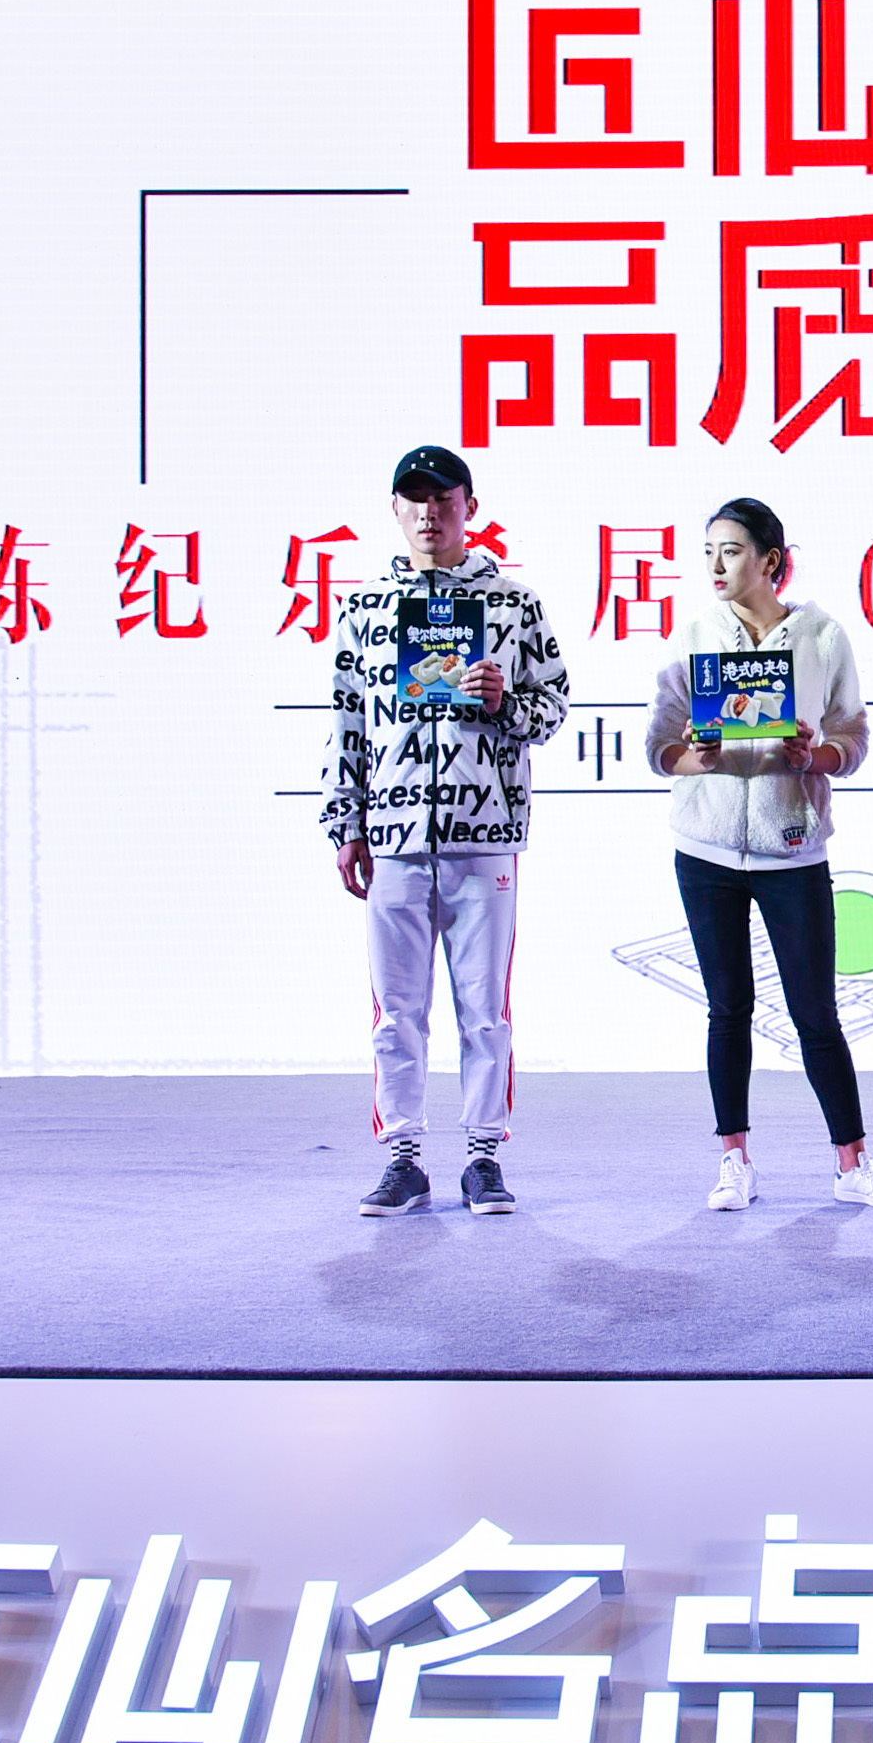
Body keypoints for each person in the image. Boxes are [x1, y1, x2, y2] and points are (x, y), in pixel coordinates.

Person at [644, 496, 873, 1213]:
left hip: (792, 849)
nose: (716, 564)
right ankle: (734, 1161)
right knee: (727, 1009)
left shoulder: (823, 636)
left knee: (815, 1014)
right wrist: (697, 759)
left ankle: (853, 1164)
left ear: (771, 560)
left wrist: (814, 754)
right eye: (709, 551)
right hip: (705, 850)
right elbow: (659, 745)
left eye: (731, 550)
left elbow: (853, 736)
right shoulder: (692, 634)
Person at [321, 445, 570, 1217]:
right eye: (415, 498)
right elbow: (348, 720)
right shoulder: (366, 609)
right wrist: (346, 821)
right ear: (396, 509)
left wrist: (503, 701)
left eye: (443, 497)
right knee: (396, 1009)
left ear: (469, 505)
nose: (430, 512)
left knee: (484, 1007)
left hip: (484, 832)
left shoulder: (513, 605)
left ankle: (483, 1155)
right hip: (393, 835)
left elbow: (553, 708)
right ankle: (402, 1157)